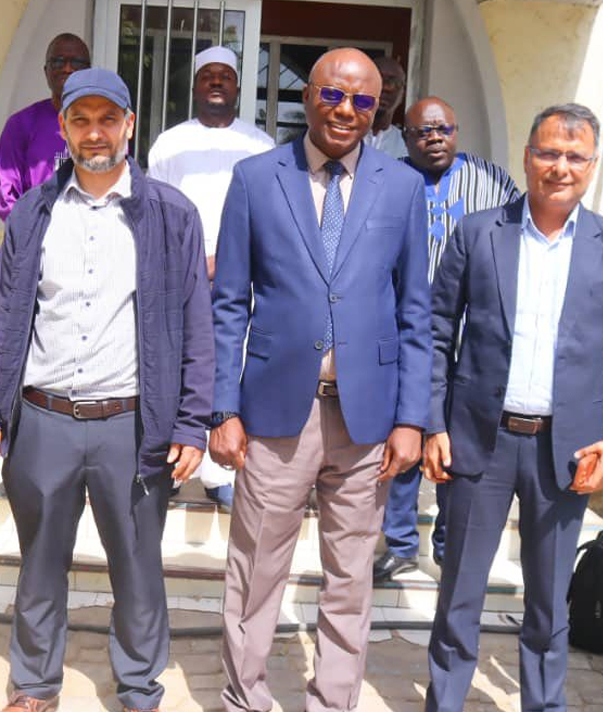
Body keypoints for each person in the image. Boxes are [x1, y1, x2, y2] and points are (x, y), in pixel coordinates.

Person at [0, 68, 213, 712]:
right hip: (43, 419)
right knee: (40, 563)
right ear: (65, 128)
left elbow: (196, 323)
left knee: (137, 567)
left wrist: (192, 422)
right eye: (81, 120)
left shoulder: (171, 214)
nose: (95, 133)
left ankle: (138, 689)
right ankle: (33, 685)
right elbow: (5, 317)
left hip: (131, 426)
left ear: (129, 125)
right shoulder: (33, 212)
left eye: (107, 119)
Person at [423, 103, 603, 712]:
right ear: (528, 157)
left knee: (548, 602)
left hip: (567, 454)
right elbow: (433, 331)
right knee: (459, 596)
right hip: (477, 443)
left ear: (592, 164)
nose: (561, 167)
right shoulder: (478, 233)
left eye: (575, 156)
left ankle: (543, 704)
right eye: (549, 153)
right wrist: (431, 422)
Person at [210, 47, 431, 712]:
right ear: (308, 95)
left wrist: (411, 418)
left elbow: (414, 311)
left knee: (351, 578)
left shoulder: (401, 187)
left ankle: (333, 701)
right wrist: (222, 407)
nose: (345, 110)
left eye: (362, 100)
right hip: (276, 413)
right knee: (255, 570)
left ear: (378, 109)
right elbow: (228, 304)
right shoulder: (256, 178)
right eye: (333, 94)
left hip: (367, 419)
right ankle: (244, 698)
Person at [374, 95, 522, 582]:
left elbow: (513, 243)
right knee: (404, 433)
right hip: (403, 330)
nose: (434, 138)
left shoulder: (492, 180)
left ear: (456, 131)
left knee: (455, 442)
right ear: (406, 136)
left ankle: (446, 544)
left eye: (444, 129)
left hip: (469, 335)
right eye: (423, 131)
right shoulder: (386, 178)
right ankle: (400, 543)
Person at [147, 45, 274, 509]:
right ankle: (172, 465)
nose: (217, 82)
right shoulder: (170, 143)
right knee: (177, 368)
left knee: (228, 368)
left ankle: (220, 474)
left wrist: (229, 260)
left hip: (241, 281)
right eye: (208, 76)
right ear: (196, 86)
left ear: (238, 87)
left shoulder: (260, 146)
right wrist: (191, 260)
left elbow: (270, 217)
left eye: (226, 76)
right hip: (178, 275)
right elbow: (154, 209)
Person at [0, 33, 91, 221]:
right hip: (35, 232)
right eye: (58, 62)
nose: (67, 68)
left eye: (76, 62)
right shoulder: (20, 125)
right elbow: (6, 198)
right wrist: (33, 229)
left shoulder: (104, 128)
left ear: (88, 71)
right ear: (46, 71)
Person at [362, 54, 407, 158]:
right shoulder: (342, 136)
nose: (386, 87)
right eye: (378, 79)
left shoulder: (407, 146)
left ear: (402, 94)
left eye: (393, 82)